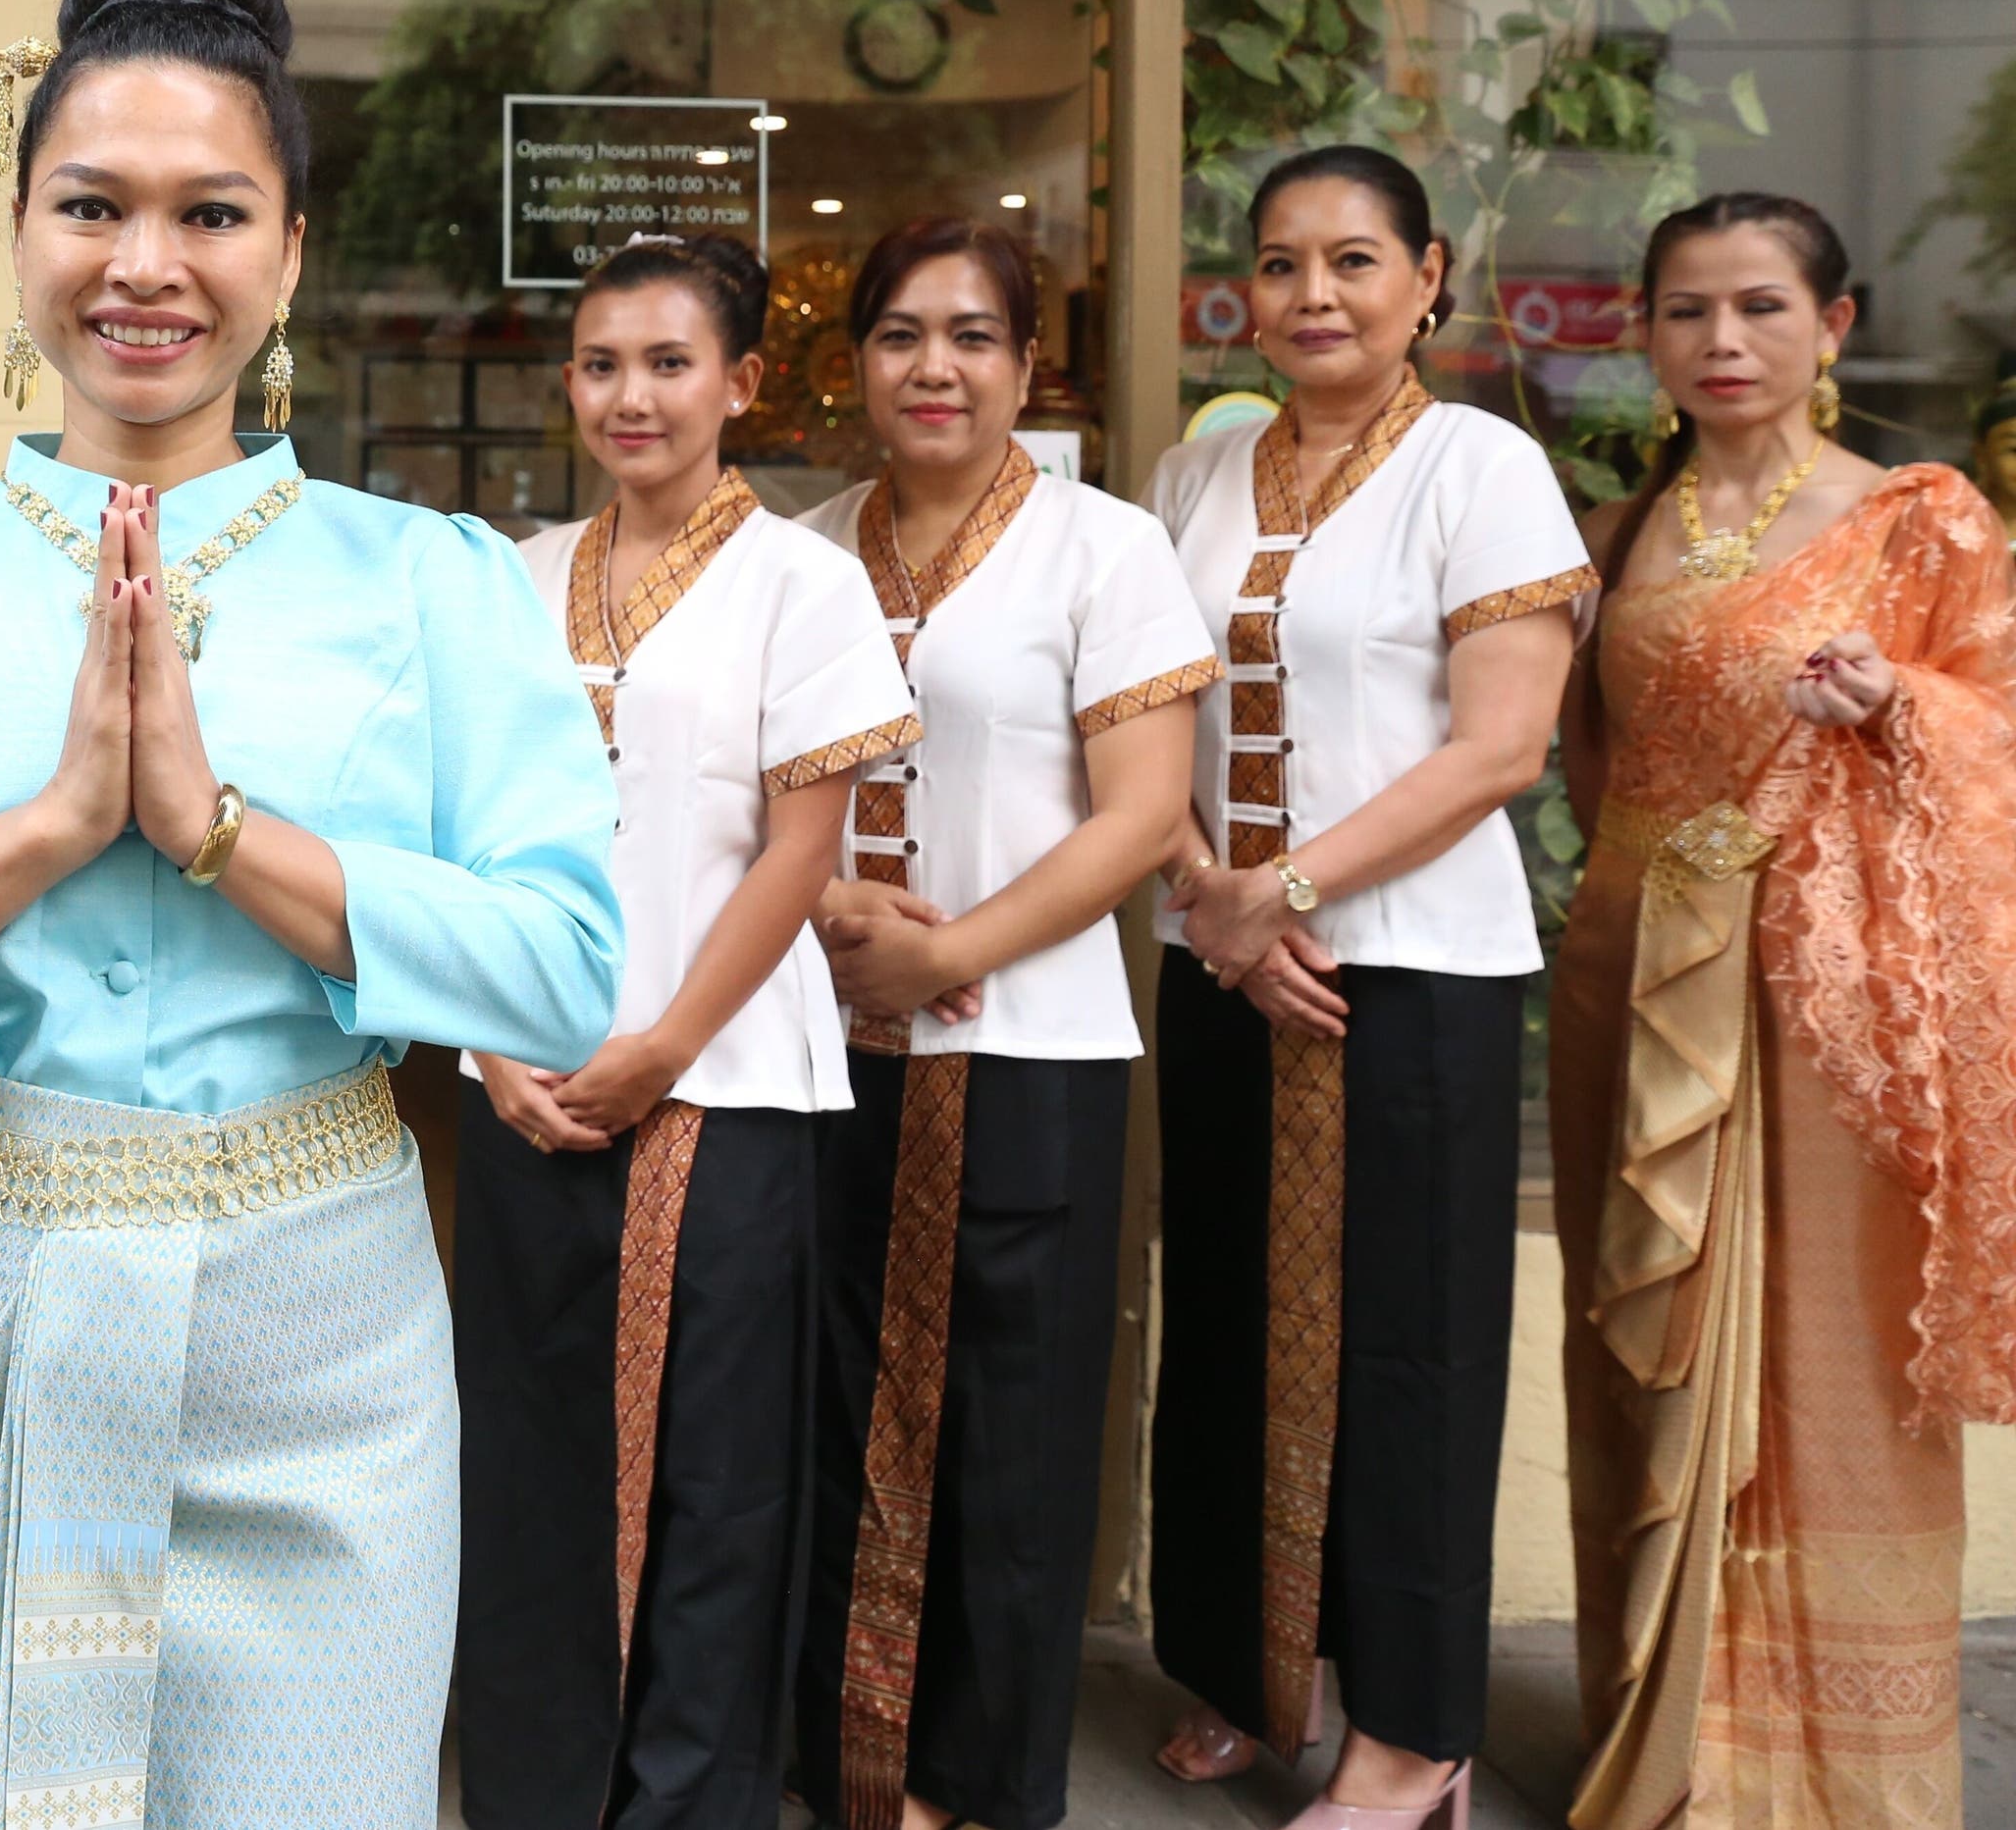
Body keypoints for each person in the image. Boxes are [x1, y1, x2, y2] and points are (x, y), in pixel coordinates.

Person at [0, 0, 622, 1830]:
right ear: (19, 231)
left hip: (318, 1332)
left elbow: (561, 973)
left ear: (291, 255)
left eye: (212, 212)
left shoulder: (433, 582)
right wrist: (47, 828)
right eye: (93, 204)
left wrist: (220, 831)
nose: (146, 265)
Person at [1551, 193, 2016, 1829]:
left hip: (1818, 1005)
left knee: (1816, 1357)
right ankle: (1667, 1744)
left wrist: (1903, 707)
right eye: (1687, 311)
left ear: (1833, 324)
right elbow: (1590, 772)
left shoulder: (1916, 521)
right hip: (1628, 972)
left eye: (1760, 307)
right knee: (1643, 1352)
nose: (1722, 341)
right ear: (1649, 335)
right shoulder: (1614, 535)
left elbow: (2005, 738)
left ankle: (1825, 1781)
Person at [1142, 144, 1594, 1829]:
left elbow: (1505, 745)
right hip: (1223, 964)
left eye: (1350, 261)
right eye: (1278, 264)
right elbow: (1133, 719)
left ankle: (1413, 1736)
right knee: (1233, 1331)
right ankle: (1261, 1678)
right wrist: (1211, 895)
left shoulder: (1482, 471)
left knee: (1407, 1354)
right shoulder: (1201, 477)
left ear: (1430, 281)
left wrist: (1293, 890)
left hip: (1410, 980)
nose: (1311, 296)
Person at [449, 230, 915, 1830]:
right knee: (528, 1463)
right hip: (523, 1088)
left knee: (716, 1487)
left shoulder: (807, 580)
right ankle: (529, 1795)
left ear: (741, 383)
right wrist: (493, 1045)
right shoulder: (513, 576)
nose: (628, 397)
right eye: (599, 365)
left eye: (666, 363)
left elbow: (803, 850)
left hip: (723, 1090)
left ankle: (687, 1803)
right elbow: (468, 835)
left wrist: (663, 1044)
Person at [786, 220, 1209, 1830]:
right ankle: (852, 1769)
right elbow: (762, 805)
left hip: (1027, 1055)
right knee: (834, 1408)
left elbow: (1138, 818)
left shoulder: (1104, 550)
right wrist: (845, 926)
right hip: (830, 1049)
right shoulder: (810, 549)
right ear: (860, 369)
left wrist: (949, 946)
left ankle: (981, 1785)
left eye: (973, 336)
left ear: (1029, 366)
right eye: (900, 335)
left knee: (1011, 1448)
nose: (935, 367)